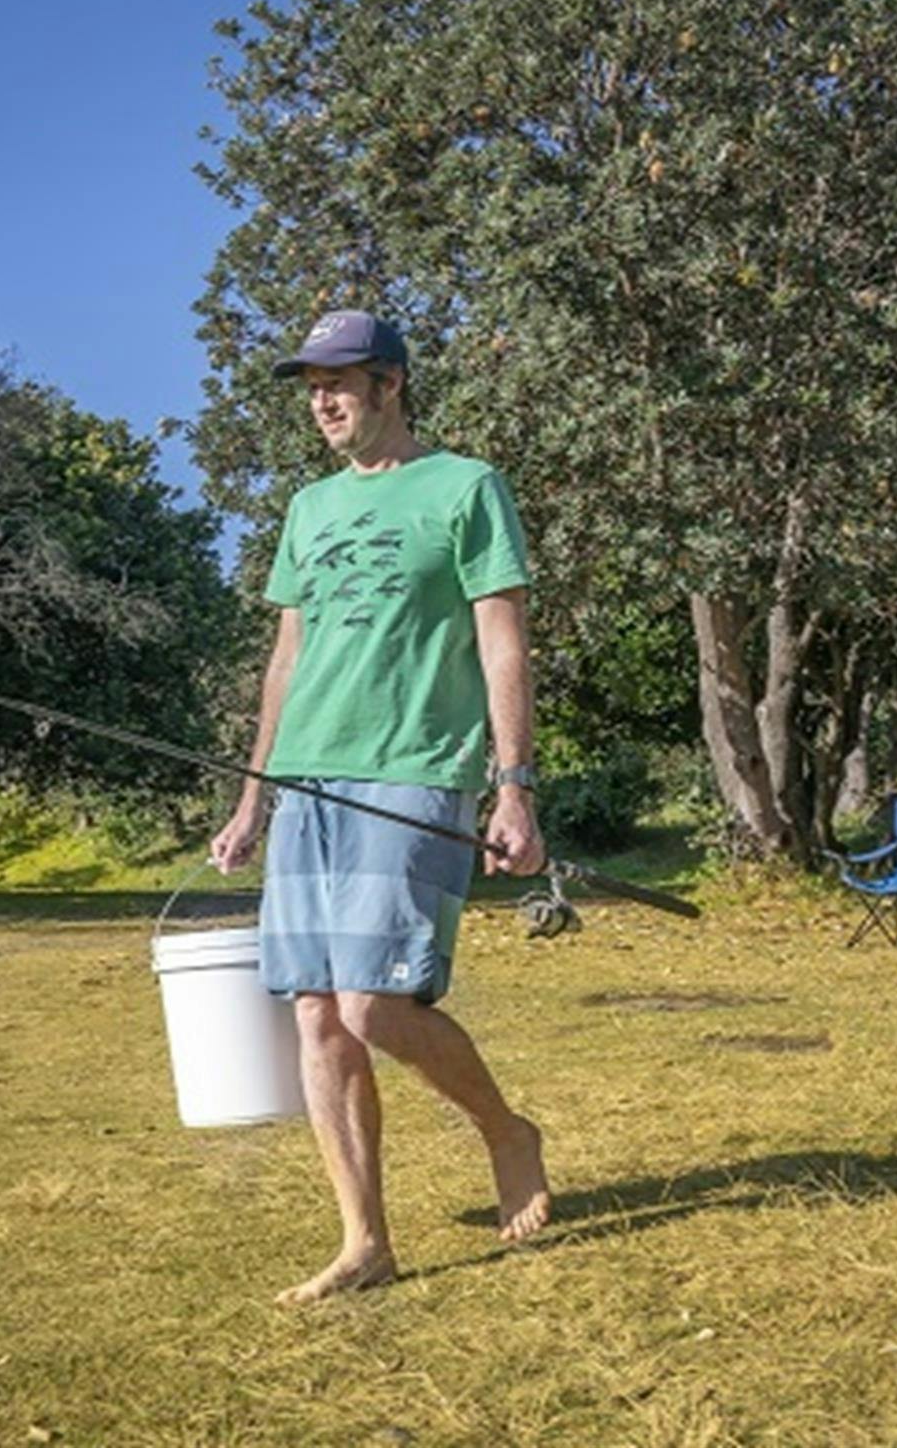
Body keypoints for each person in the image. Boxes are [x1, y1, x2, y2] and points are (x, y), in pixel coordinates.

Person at [209, 309, 552, 1304]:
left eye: (341, 381)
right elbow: (287, 658)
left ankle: (505, 1130)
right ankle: (365, 1240)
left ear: (390, 384)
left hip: (412, 768)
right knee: (317, 1013)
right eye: (310, 384)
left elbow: (502, 641)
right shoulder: (308, 509)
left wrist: (513, 783)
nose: (321, 401)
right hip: (306, 776)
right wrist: (252, 797)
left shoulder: (464, 487)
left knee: (374, 1003)